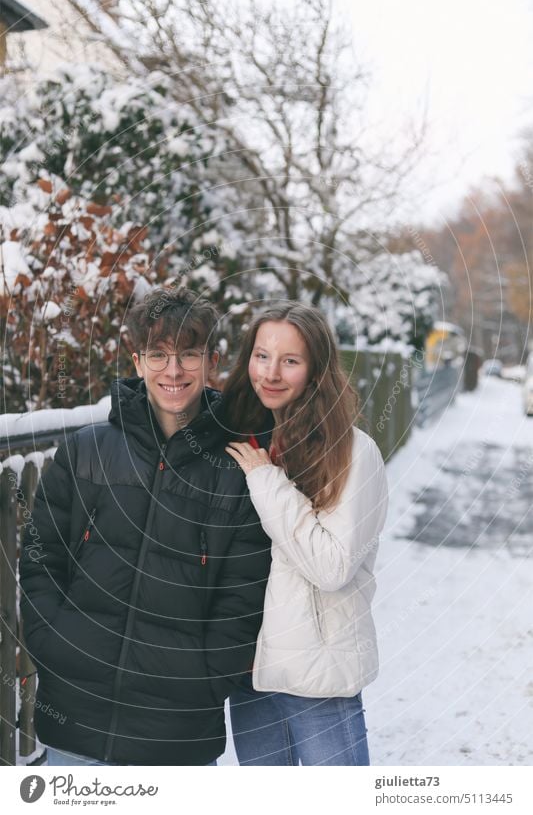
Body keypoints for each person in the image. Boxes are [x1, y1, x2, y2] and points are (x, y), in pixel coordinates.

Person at [19, 287, 271, 766]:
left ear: (211, 360)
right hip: (74, 721)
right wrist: (54, 643)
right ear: (137, 361)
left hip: (175, 737)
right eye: (158, 355)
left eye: (188, 355)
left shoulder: (239, 471)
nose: (172, 371)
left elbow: (245, 596)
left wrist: (203, 678)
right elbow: (39, 558)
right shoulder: (86, 451)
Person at [223, 302, 388, 766]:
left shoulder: (353, 452)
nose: (270, 373)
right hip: (250, 674)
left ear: (316, 370)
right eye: (261, 356)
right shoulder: (241, 439)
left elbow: (331, 566)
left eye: (290, 361)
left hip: (317, 673)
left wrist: (267, 481)